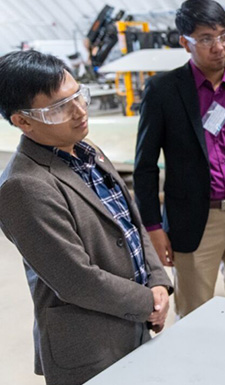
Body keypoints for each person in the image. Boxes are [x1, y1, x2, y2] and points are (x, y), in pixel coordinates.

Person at [0, 50, 173, 385]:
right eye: (60, 107)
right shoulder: (23, 186)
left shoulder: (83, 148)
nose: (80, 112)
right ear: (22, 121)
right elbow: (77, 280)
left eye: (79, 96)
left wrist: (158, 280)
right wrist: (147, 301)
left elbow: (131, 223)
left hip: (134, 324)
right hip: (91, 345)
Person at [134, 0, 225, 317]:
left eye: (224, 36)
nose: (219, 47)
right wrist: (153, 227)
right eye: (205, 39)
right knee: (195, 312)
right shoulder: (163, 91)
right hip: (194, 219)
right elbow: (145, 168)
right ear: (184, 42)